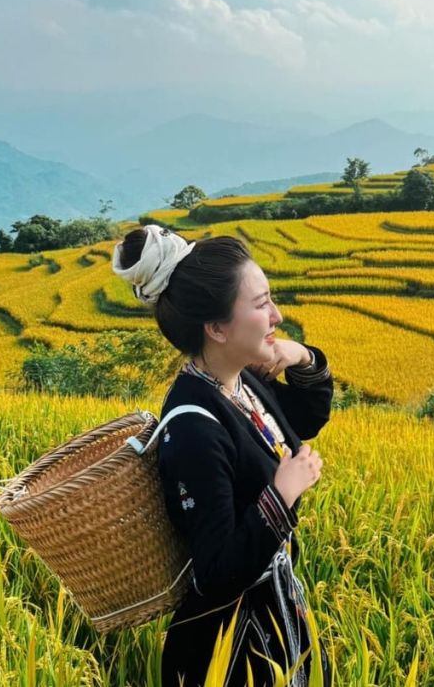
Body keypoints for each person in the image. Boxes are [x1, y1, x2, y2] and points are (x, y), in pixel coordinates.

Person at [113, 224, 333, 687]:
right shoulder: (194, 426)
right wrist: (282, 492)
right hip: (233, 648)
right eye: (260, 305)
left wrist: (302, 359)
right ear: (215, 328)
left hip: (274, 613)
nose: (276, 315)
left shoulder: (238, 380)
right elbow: (215, 572)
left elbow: (302, 424)